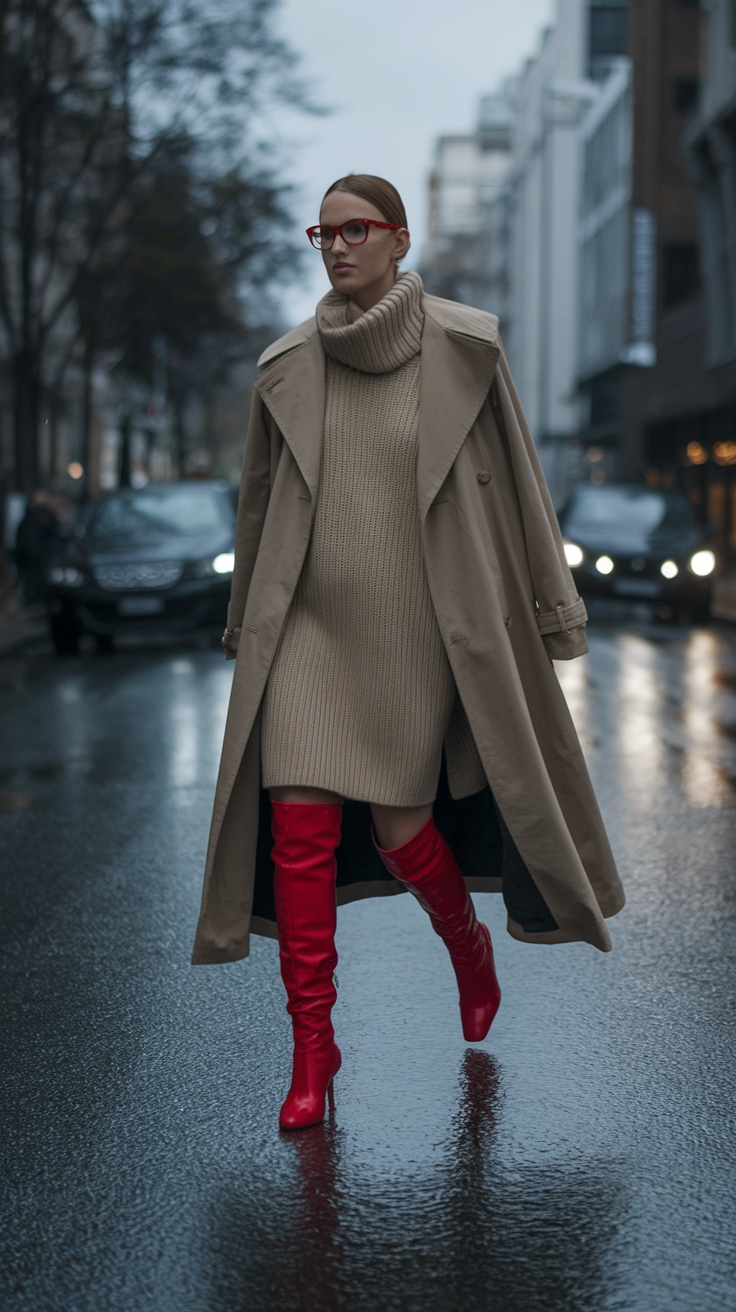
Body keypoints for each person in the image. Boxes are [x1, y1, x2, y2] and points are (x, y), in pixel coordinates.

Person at [192, 175, 624, 1131]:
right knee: (298, 836)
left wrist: (556, 610)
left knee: (400, 829)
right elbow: (259, 510)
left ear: (397, 238)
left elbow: (519, 481)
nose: (338, 248)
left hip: (422, 627)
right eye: (324, 234)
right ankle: (314, 1050)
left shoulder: (466, 346)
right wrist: (244, 627)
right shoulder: (286, 367)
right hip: (306, 627)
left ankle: (466, 940)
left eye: (357, 230)